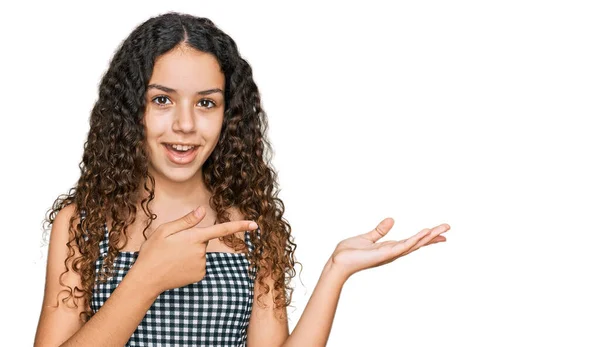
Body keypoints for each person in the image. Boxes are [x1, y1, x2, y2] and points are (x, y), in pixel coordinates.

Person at [34, 12, 450, 347]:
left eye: (206, 103)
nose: (185, 124)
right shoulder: (83, 224)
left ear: (228, 115)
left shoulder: (253, 225)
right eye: (161, 100)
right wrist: (145, 279)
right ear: (129, 110)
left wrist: (335, 271)